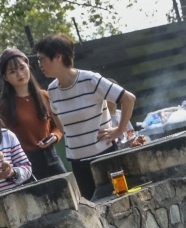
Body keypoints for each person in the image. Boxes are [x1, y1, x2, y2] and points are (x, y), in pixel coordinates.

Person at [34, 34, 136, 200]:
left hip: (104, 156)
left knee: (120, 201)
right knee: (92, 207)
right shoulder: (52, 90)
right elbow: (55, 115)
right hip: (78, 162)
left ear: (58, 57)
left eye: (42, 59)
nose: (39, 64)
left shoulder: (90, 79)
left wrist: (119, 130)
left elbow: (128, 99)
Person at [0, 48, 67, 179]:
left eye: (22, 67)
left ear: (28, 66)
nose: (19, 74)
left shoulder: (44, 96)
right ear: (5, 77)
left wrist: (54, 136)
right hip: (25, 163)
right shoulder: (2, 107)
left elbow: (58, 125)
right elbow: (1, 140)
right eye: (12, 71)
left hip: (51, 156)